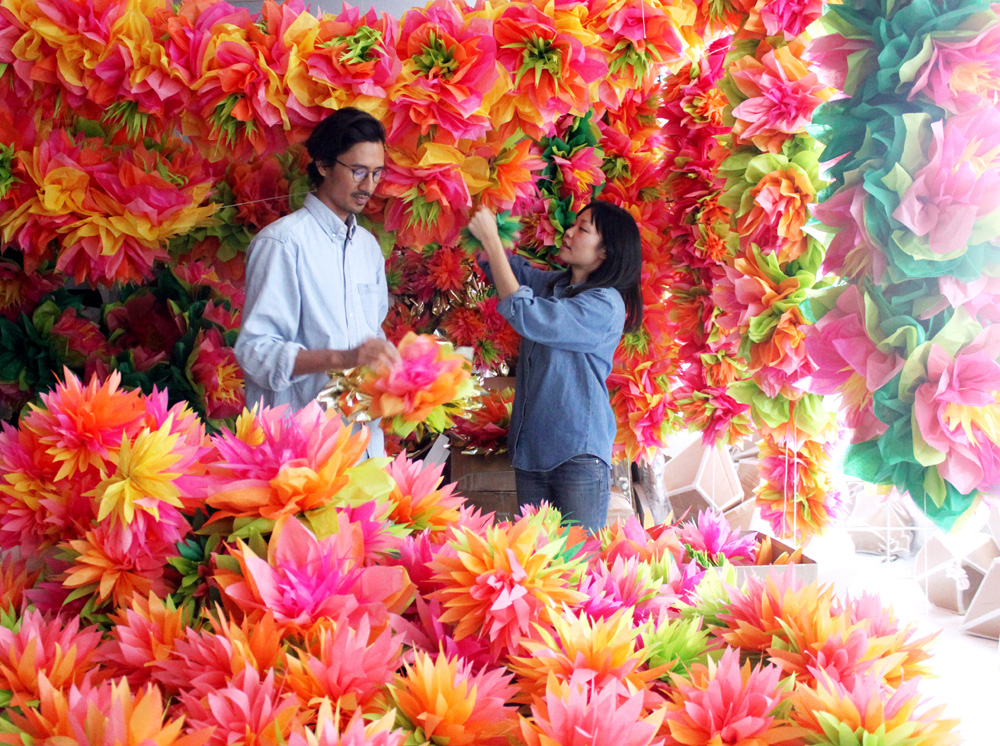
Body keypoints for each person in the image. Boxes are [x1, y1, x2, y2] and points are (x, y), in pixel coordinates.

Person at [467, 201, 643, 531]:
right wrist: (474, 224)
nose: (569, 232)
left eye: (583, 228)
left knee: (576, 569)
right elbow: (509, 270)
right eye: (573, 224)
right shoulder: (556, 286)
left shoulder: (605, 304)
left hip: (576, 456)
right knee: (537, 565)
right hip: (531, 451)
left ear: (604, 252)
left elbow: (526, 314)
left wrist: (492, 240)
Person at [235, 107, 400, 457]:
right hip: (300, 457)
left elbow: (374, 337)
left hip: (364, 450)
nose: (368, 185)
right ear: (323, 165)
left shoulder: (368, 248)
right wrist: (344, 357)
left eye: (376, 173)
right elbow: (256, 352)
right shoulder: (282, 243)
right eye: (357, 171)